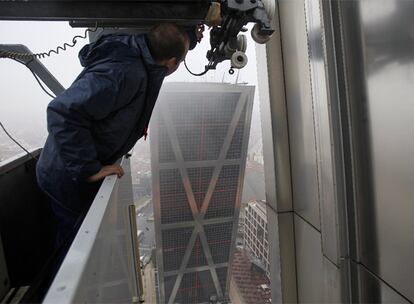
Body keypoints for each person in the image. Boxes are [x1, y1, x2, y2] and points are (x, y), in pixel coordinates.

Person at [36, 23, 204, 246]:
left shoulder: (140, 54)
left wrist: (190, 36)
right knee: (74, 247)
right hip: (68, 177)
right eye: (180, 60)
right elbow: (63, 111)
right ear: (172, 62)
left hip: (65, 169)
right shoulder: (124, 73)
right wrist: (88, 168)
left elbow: (169, 45)